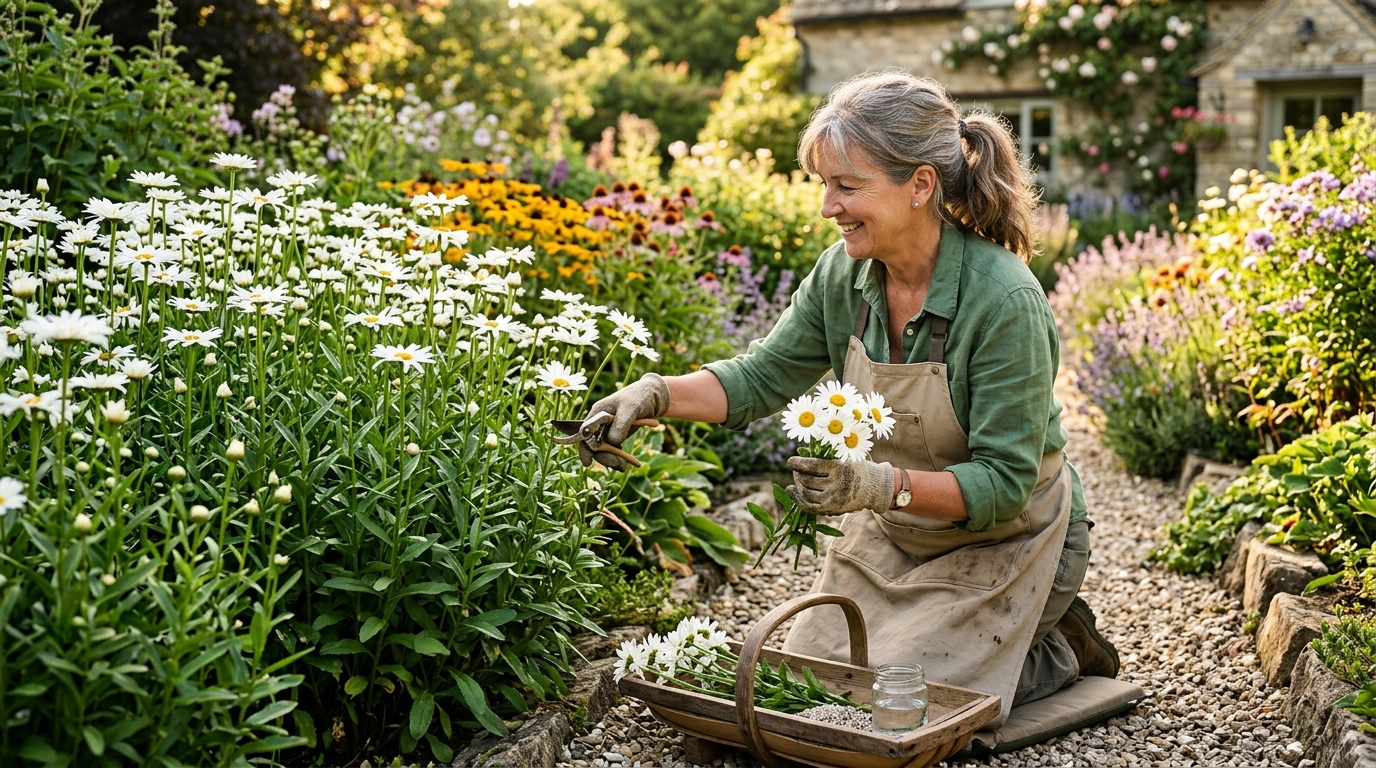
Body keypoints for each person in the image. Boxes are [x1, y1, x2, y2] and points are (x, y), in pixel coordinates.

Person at [575, 70, 1118, 729]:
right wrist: (654, 394)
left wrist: (875, 484)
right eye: (824, 185)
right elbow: (760, 377)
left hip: (1010, 543)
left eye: (847, 186)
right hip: (897, 534)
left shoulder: (1003, 300)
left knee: (901, 700)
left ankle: (1059, 645)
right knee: (815, 688)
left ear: (921, 185)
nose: (827, 207)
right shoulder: (844, 273)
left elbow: (1005, 485)